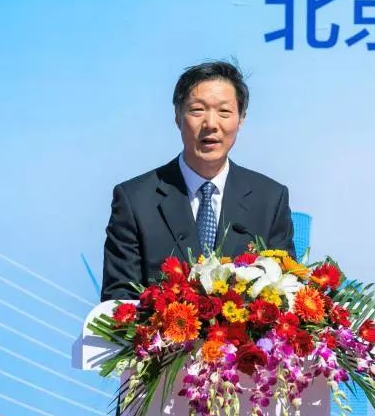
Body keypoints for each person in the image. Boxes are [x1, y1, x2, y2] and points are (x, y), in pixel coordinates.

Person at [100, 61, 296, 307]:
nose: (211, 124)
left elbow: (285, 294)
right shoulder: (135, 200)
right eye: (197, 110)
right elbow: (118, 302)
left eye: (224, 112)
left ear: (241, 119)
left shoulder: (270, 199)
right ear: (177, 117)